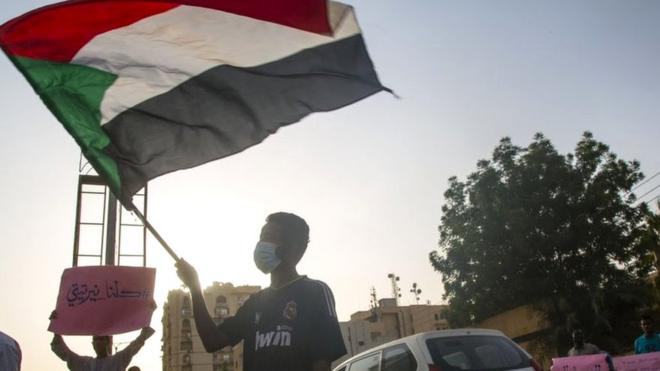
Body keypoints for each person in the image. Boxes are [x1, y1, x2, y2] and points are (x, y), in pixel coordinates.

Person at [176, 212, 346, 371]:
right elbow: (212, 340)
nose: (261, 245)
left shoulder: (315, 292)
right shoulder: (255, 303)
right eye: (261, 238)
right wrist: (194, 287)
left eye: (269, 238)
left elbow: (322, 363)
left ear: (295, 249)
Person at [50, 325, 154, 371]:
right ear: (92, 344)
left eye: (100, 339)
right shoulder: (86, 364)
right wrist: (57, 328)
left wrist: (148, 313)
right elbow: (66, 354)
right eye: (95, 340)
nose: (98, 343)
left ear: (107, 342)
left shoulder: (117, 361)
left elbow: (134, 346)